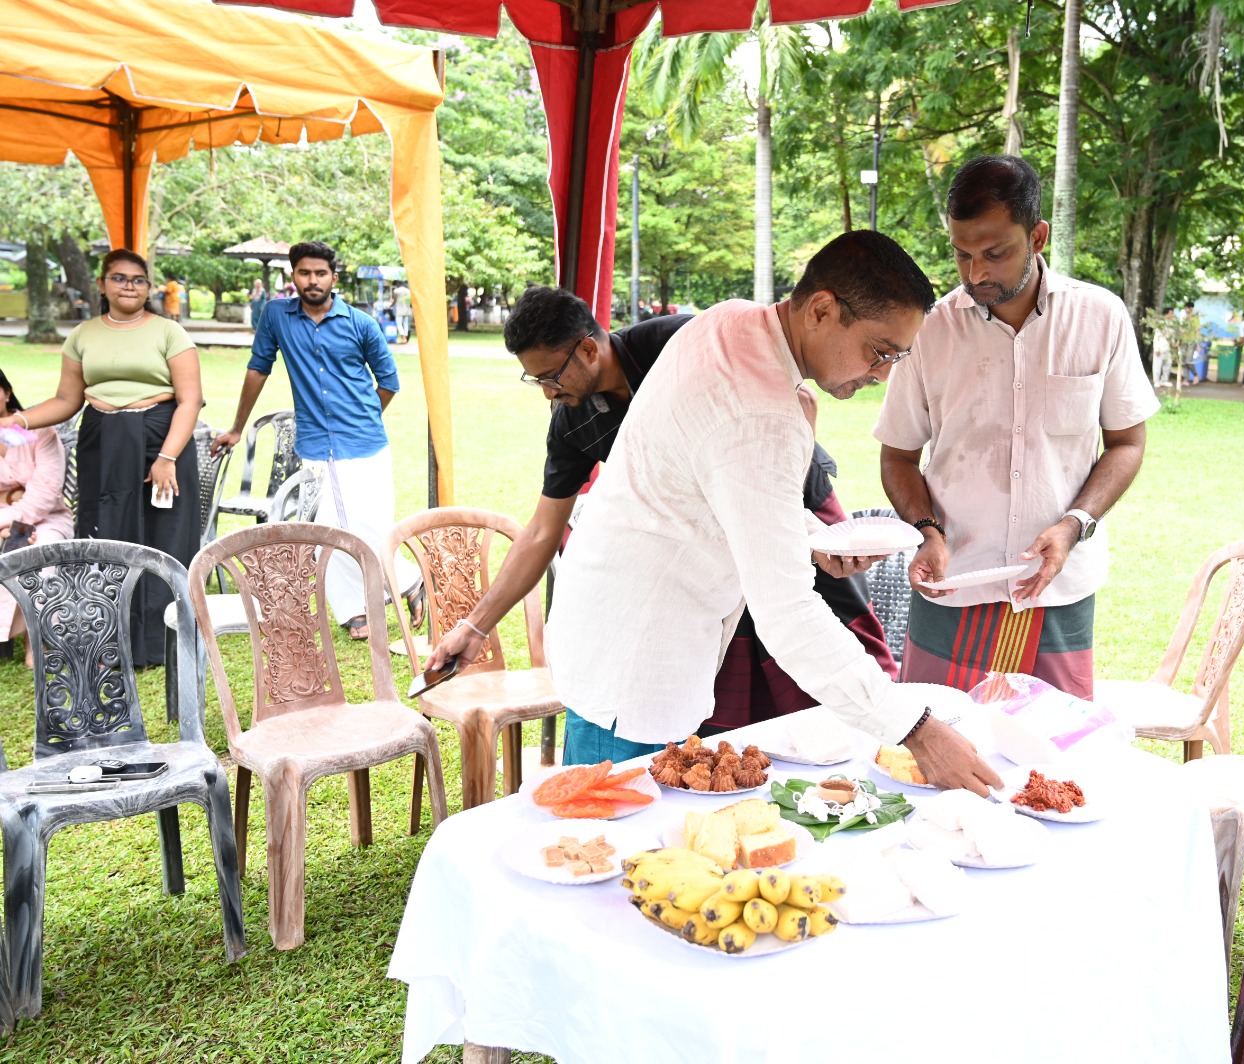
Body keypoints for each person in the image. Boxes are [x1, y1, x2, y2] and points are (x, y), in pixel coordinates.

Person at [429, 233, 999, 794]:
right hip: (633, 666)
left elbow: (712, 483)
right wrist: (917, 730)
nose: (883, 374)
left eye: (898, 357)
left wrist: (806, 535)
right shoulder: (760, 412)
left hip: (612, 636)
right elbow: (788, 614)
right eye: (880, 351)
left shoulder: (732, 319)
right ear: (821, 310)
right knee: (611, 841)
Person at [421, 285, 898, 735]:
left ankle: (874, 734)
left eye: (551, 375)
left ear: (587, 350)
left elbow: (801, 396)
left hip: (792, 497)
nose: (548, 391)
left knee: (831, 637)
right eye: (536, 380)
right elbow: (544, 531)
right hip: (708, 556)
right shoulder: (571, 420)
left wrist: (794, 526)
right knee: (734, 694)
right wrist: (475, 625)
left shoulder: (677, 341)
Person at [876, 155, 1159, 700]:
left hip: (1057, 589)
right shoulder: (929, 330)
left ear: (1038, 237)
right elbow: (898, 456)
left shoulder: (1100, 316)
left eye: (995, 253)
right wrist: (927, 531)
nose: (975, 274)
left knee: (1051, 749)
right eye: (962, 254)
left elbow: (1127, 443)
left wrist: (1074, 524)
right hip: (952, 586)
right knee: (934, 741)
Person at [0, 248, 204, 667]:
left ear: (148, 287)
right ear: (102, 284)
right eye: (119, 278)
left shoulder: (169, 332)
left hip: (160, 440)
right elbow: (66, 399)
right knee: (107, 532)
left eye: (138, 280)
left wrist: (167, 457)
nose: (129, 286)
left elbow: (190, 399)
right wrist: (16, 420)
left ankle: (159, 641)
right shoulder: (83, 335)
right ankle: (111, 638)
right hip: (103, 442)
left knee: (162, 535)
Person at [212, 240, 419, 640]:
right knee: (329, 526)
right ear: (293, 276)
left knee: (358, 522)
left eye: (320, 273)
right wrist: (237, 427)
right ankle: (370, 603)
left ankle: (392, 590)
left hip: (364, 440)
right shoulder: (276, 315)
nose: (312, 280)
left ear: (333, 278)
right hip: (315, 442)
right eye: (304, 272)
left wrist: (360, 418)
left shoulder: (361, 323)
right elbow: (258, 369)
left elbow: (389, 382)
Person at [0, 367, 76, 667]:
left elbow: (44, 494)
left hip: (47, 518)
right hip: (4, 521)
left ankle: (39, 640)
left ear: (7, 392)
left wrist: (9, 521)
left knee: (42, 551)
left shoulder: (37, 431)